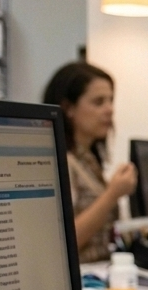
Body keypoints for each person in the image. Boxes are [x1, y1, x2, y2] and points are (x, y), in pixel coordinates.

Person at [43, 61, 136, 263]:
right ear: (69, 108)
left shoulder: (89, 159)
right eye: (98, 102)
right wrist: (112, 194)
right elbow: (64, 242)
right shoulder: (59, 162)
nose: (109, 109)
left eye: (111, 100)